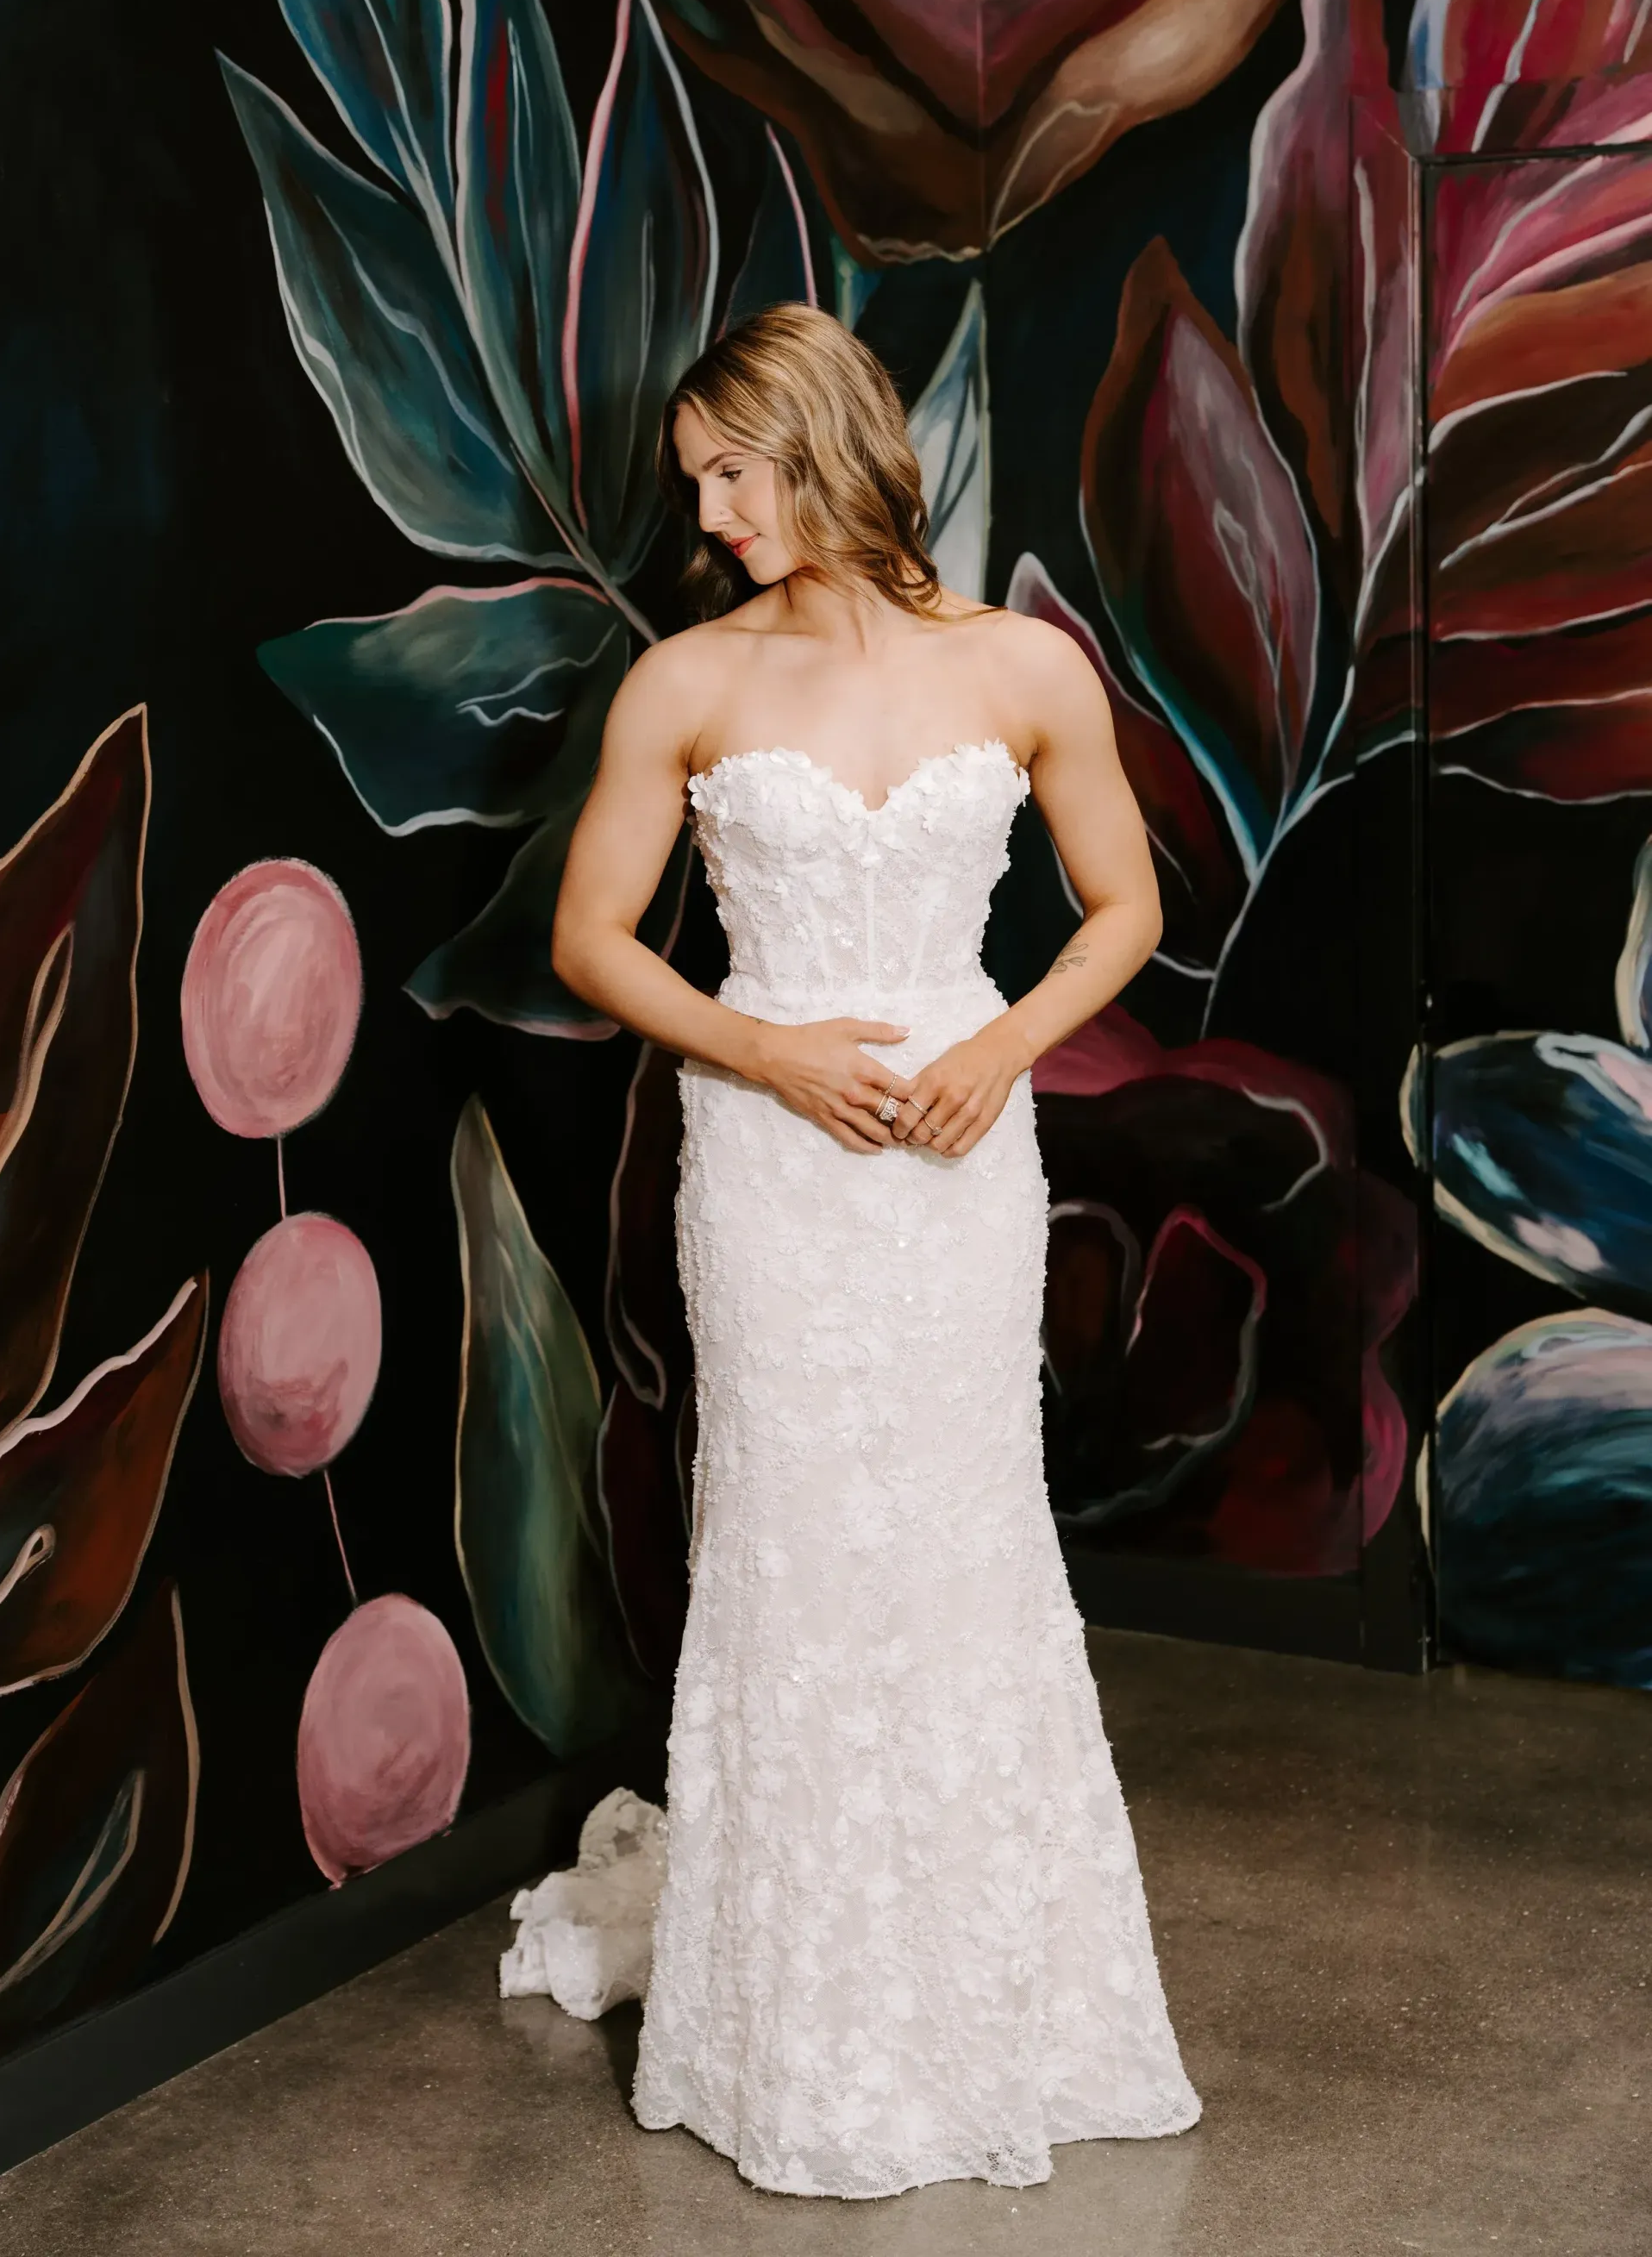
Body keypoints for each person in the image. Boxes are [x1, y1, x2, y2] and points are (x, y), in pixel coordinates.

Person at [546, 303, 1200, 2198]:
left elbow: (1123, 902)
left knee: (967, 1543)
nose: (716, 515)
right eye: (699, 486)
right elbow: (597, 936)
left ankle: (1001, 2003)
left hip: (956, 1163)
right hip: (766, 1167)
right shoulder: (683, 682)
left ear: (826, 442)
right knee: (792, 1550)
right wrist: (764, 1053)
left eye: (735, 472)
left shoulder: (1020, 663)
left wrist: (997, 1046)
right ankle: (797, 2025)